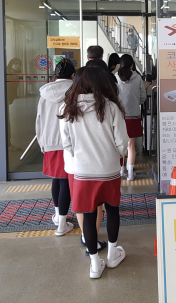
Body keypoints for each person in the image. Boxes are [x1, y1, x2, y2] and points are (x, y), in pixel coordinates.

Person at [59, 67, 128, 279]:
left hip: (82, 172)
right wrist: (116, 155)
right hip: (109, 170)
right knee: (112, 209)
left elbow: (66, 144)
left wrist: (81, 157)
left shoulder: (68, 108)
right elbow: (122, 142)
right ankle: (113, 254)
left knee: (88, 214)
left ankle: (95, 264)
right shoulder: (111, 107)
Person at [66, 68, 105, 252]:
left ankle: (85, 236)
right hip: (98, 164)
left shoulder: (67, 106)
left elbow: (66, 142)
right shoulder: (105, 106)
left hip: (75, 165)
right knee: (97, 204)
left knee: (80, 202)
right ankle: (93, 239)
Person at [35, 58, 75, 236]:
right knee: (65, 181)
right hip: (69, 142)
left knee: (56, 179)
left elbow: (39, 119)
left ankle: (59, 216)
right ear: (73, 75)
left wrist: (42, 142)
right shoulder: (75, 90)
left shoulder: (45, 93)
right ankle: (62, 224)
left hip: (50, 141)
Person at [115, 54, 146, 181]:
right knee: (131, 145)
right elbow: (143, 96)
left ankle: (121, 171)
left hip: (119, 115)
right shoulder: (137, 77)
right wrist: (136, 102)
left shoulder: (116, 77)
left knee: (119, 144)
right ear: (132, 65)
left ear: (120, 64)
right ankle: (131, 174)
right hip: (133, 115)